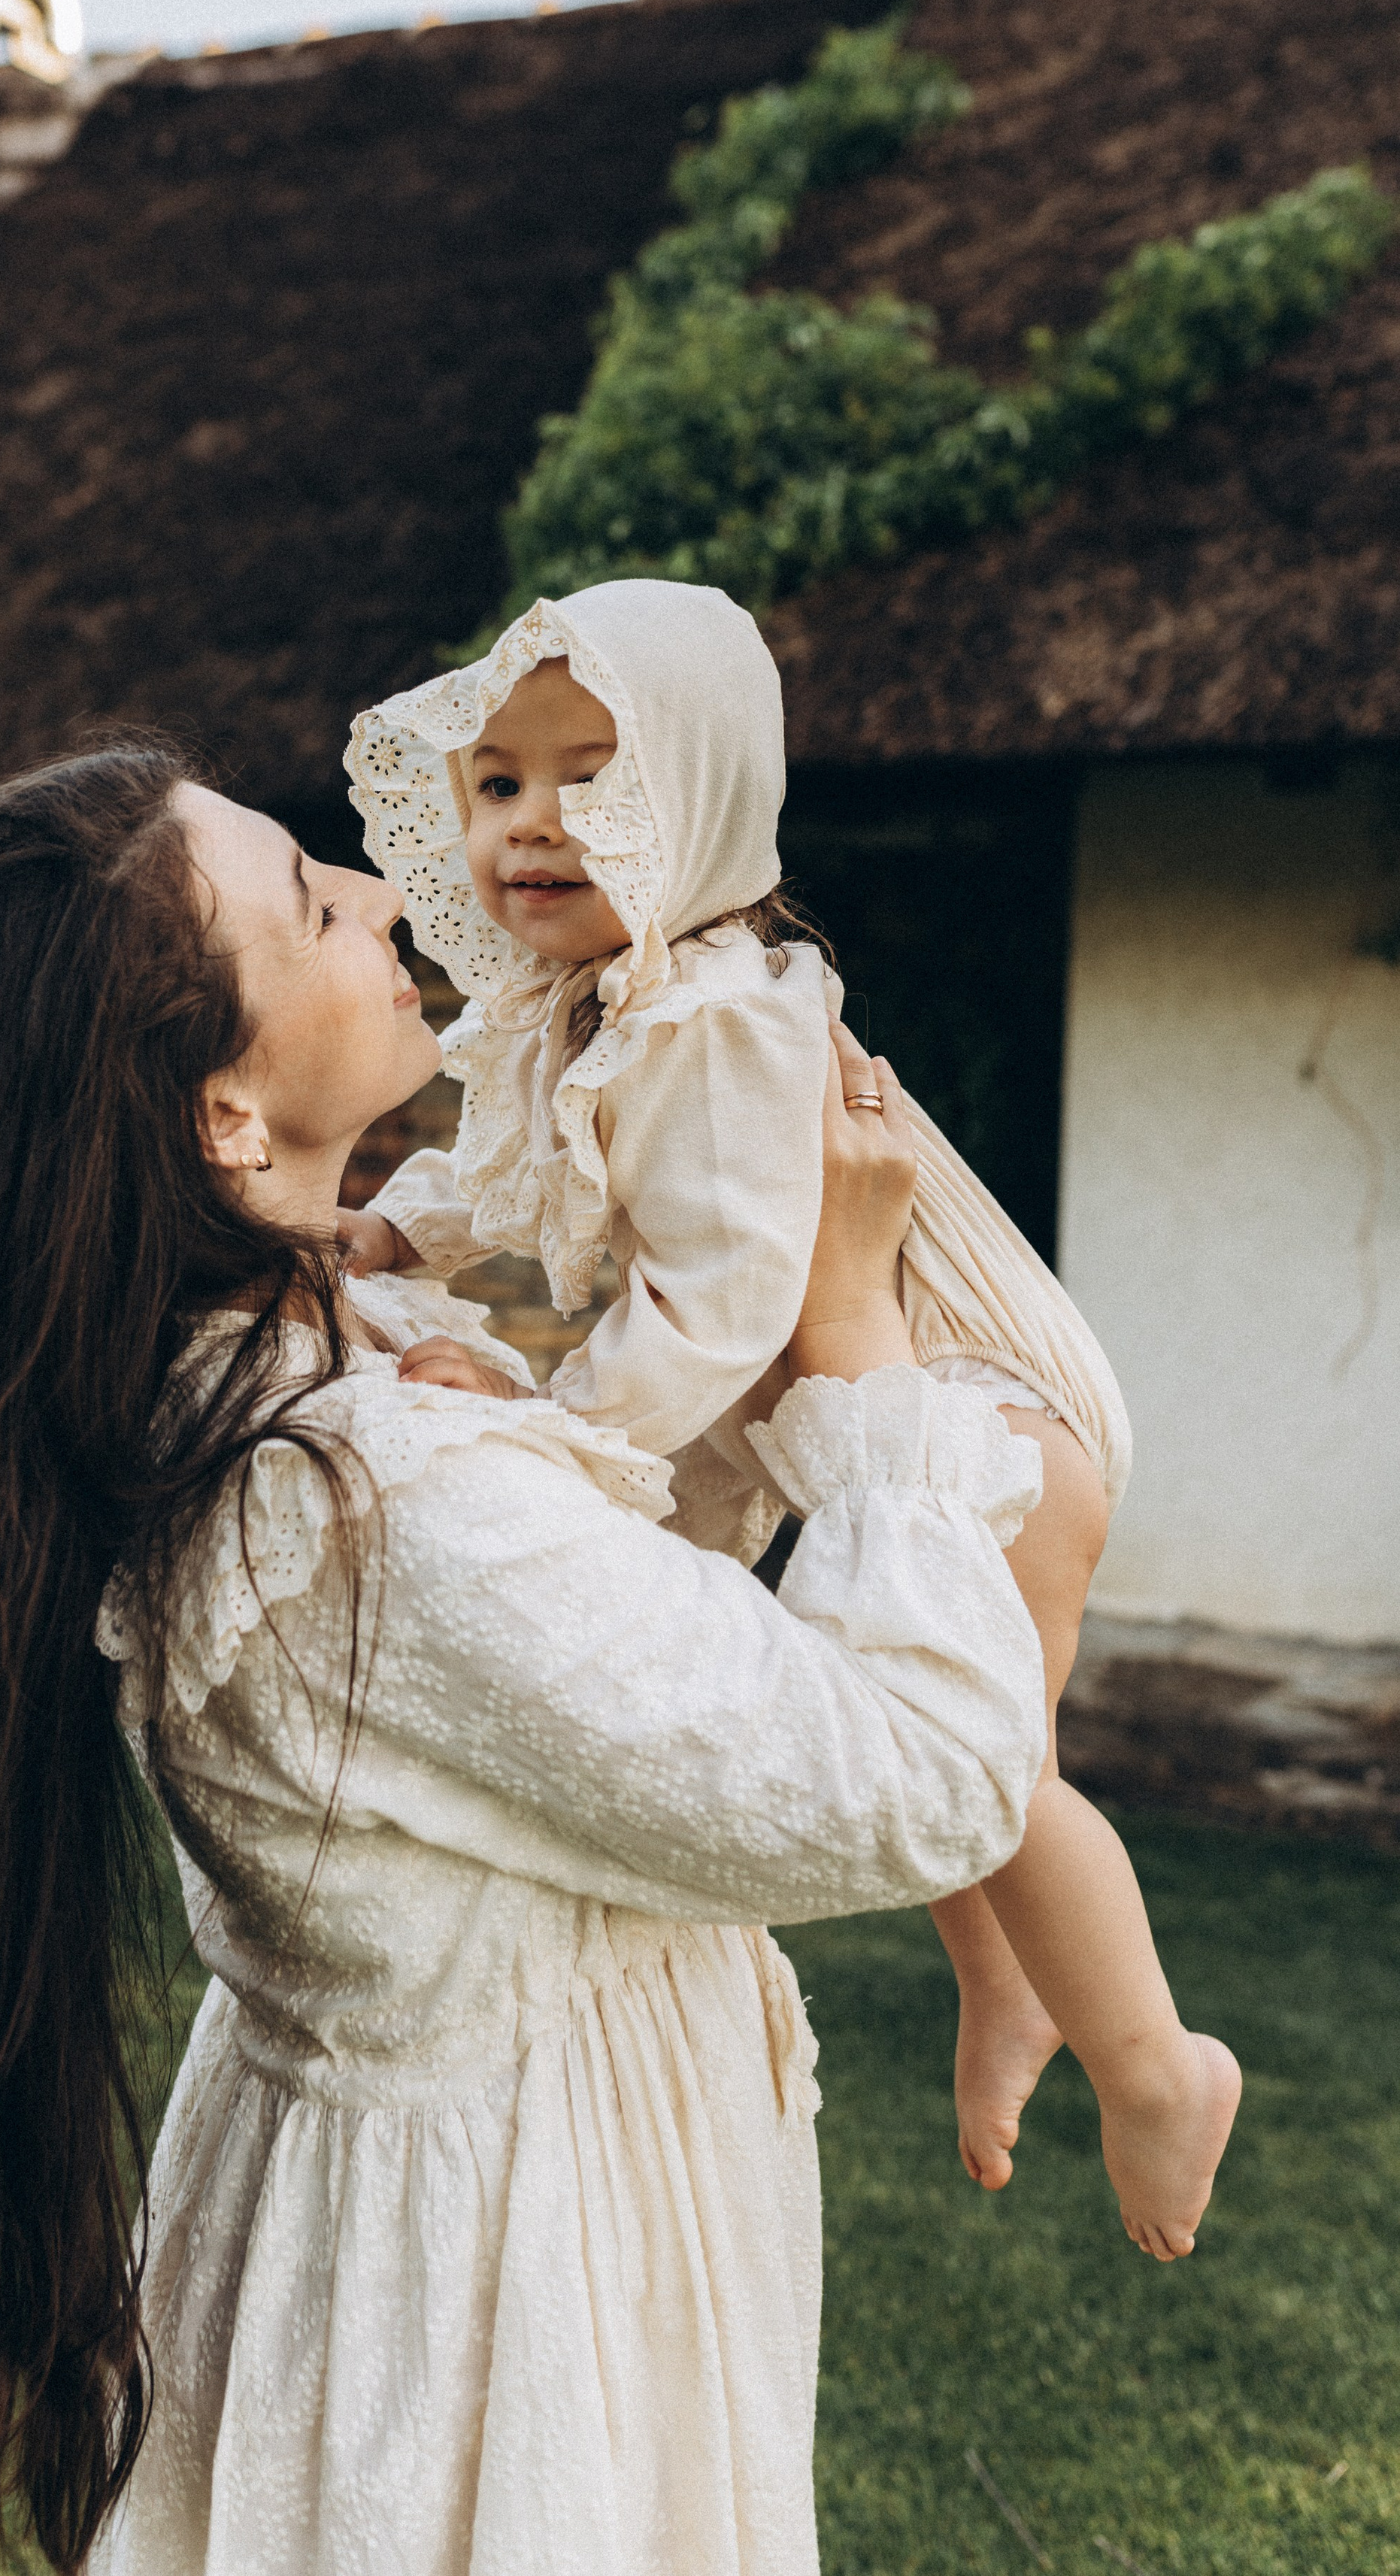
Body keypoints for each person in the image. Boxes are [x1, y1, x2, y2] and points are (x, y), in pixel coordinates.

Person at [0, 742, 1052, 2576]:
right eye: (308, 898)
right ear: (222, 1113)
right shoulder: (374, 1501)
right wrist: (855, 1335)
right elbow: (911, 1777)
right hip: (503, 2323)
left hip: (373, 2246)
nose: (385, 897)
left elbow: (585, 1648)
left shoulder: (261, 1387)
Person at [342, 582, 1241, 2257]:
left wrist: (555, 1427)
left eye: (592, 781)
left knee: (995, 1767)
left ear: (695, 803)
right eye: (497, 785)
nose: (531, 828)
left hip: (979, 1405)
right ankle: (1003, 1989)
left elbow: (724, 1303)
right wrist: (396, 1228)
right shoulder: (584, 997)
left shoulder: (724, 1016)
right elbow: (495, 1155)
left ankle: (1153, 2065)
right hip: (851, 1398)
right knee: (932, 1741)